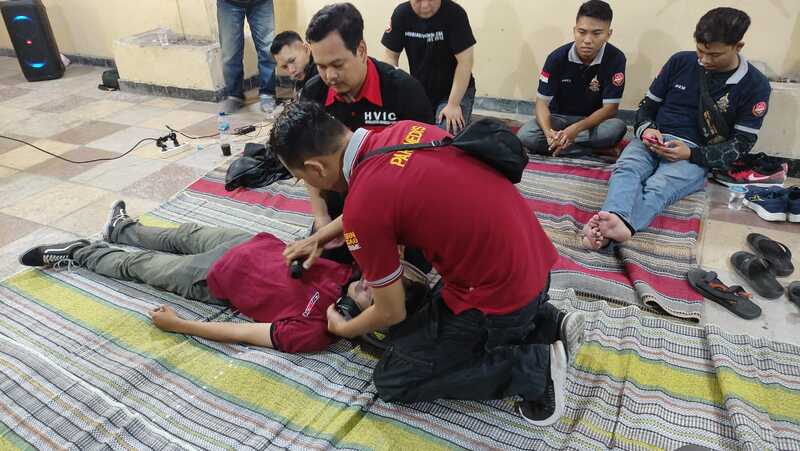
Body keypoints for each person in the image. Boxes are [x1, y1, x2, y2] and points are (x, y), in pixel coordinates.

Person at [272, 101, 586, 426]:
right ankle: (547, 322)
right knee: (429, 315)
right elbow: (377, 204)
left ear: (316, 169)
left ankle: (534, 370)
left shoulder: (364, 209)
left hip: (501, 299)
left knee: (394, 376)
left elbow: (392, 312)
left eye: (299, 178)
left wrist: (343, 328)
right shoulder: (403, 131)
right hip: (535, 266)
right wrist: (319, 237)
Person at [17, 200, 409, 354]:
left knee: (142, 267)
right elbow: (363, 225)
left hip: (212, 277)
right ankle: (121, 229)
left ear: (364, 321)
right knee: (179, 235)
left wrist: (180, 325)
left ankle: (80, 253)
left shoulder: (312, 334)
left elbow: (242, 333)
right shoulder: (350, 271)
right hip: (248, 242)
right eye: (380, 284)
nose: (370, 283)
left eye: (372, 297)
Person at [583, 7, 771, 250]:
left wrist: (691, 154)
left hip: (695, 151)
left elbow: (741, 144)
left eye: (714, 54)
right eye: (700, 51)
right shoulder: (680, 61)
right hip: (653, 138)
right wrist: (646, 130)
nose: (704, 60)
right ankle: (614, 220)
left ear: (738, 46)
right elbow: (646, 107)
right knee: (627, 168)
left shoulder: (755, 84)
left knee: (660, 185)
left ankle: (615, 228)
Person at [299, 2, 435, 270]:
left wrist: (398, 228)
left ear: (361, 50)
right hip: (341, 211)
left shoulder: (404, 92)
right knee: (323, 272)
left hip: (398, 209)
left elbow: (425, 169)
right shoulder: (313, 94)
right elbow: (309, 163)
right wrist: (321, 218)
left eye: (337, 64)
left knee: (412, 276)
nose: (330, 76)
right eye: (321, 66)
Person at [516, 0, 627, 157]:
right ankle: (593, 150)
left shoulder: (616, 58)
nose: (587, 40)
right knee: (526, 135)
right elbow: (541, 103)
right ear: (574, 30)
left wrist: (575, 130)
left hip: (591, 123)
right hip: (558, 118)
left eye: (596, 34)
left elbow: (610, 109)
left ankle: (559, 146)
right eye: (582, 32)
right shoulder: (557, 58)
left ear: (608, 34)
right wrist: (548, 133)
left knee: (616, 128)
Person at [382, 0, 477, 133]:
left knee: (443, 136)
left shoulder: (455, 14)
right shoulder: (401, 14)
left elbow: (465, 63)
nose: (425, 6)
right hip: (420, 91)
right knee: (404, 133)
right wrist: (393, 93)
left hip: (453, 93)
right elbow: (390, 57)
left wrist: (453, 105)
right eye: (418, 0)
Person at [217, 0, 276, 114]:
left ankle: (267, 93)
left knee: (267, 49)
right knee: (230, 52)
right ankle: (234, 96)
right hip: (228, 3)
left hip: (262, 2)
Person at [269, 30, 318, 96]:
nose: (291, 70)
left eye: (292, 60)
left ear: (306, 49)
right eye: (284, 67)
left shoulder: (323, 76)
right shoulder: (302, 80)